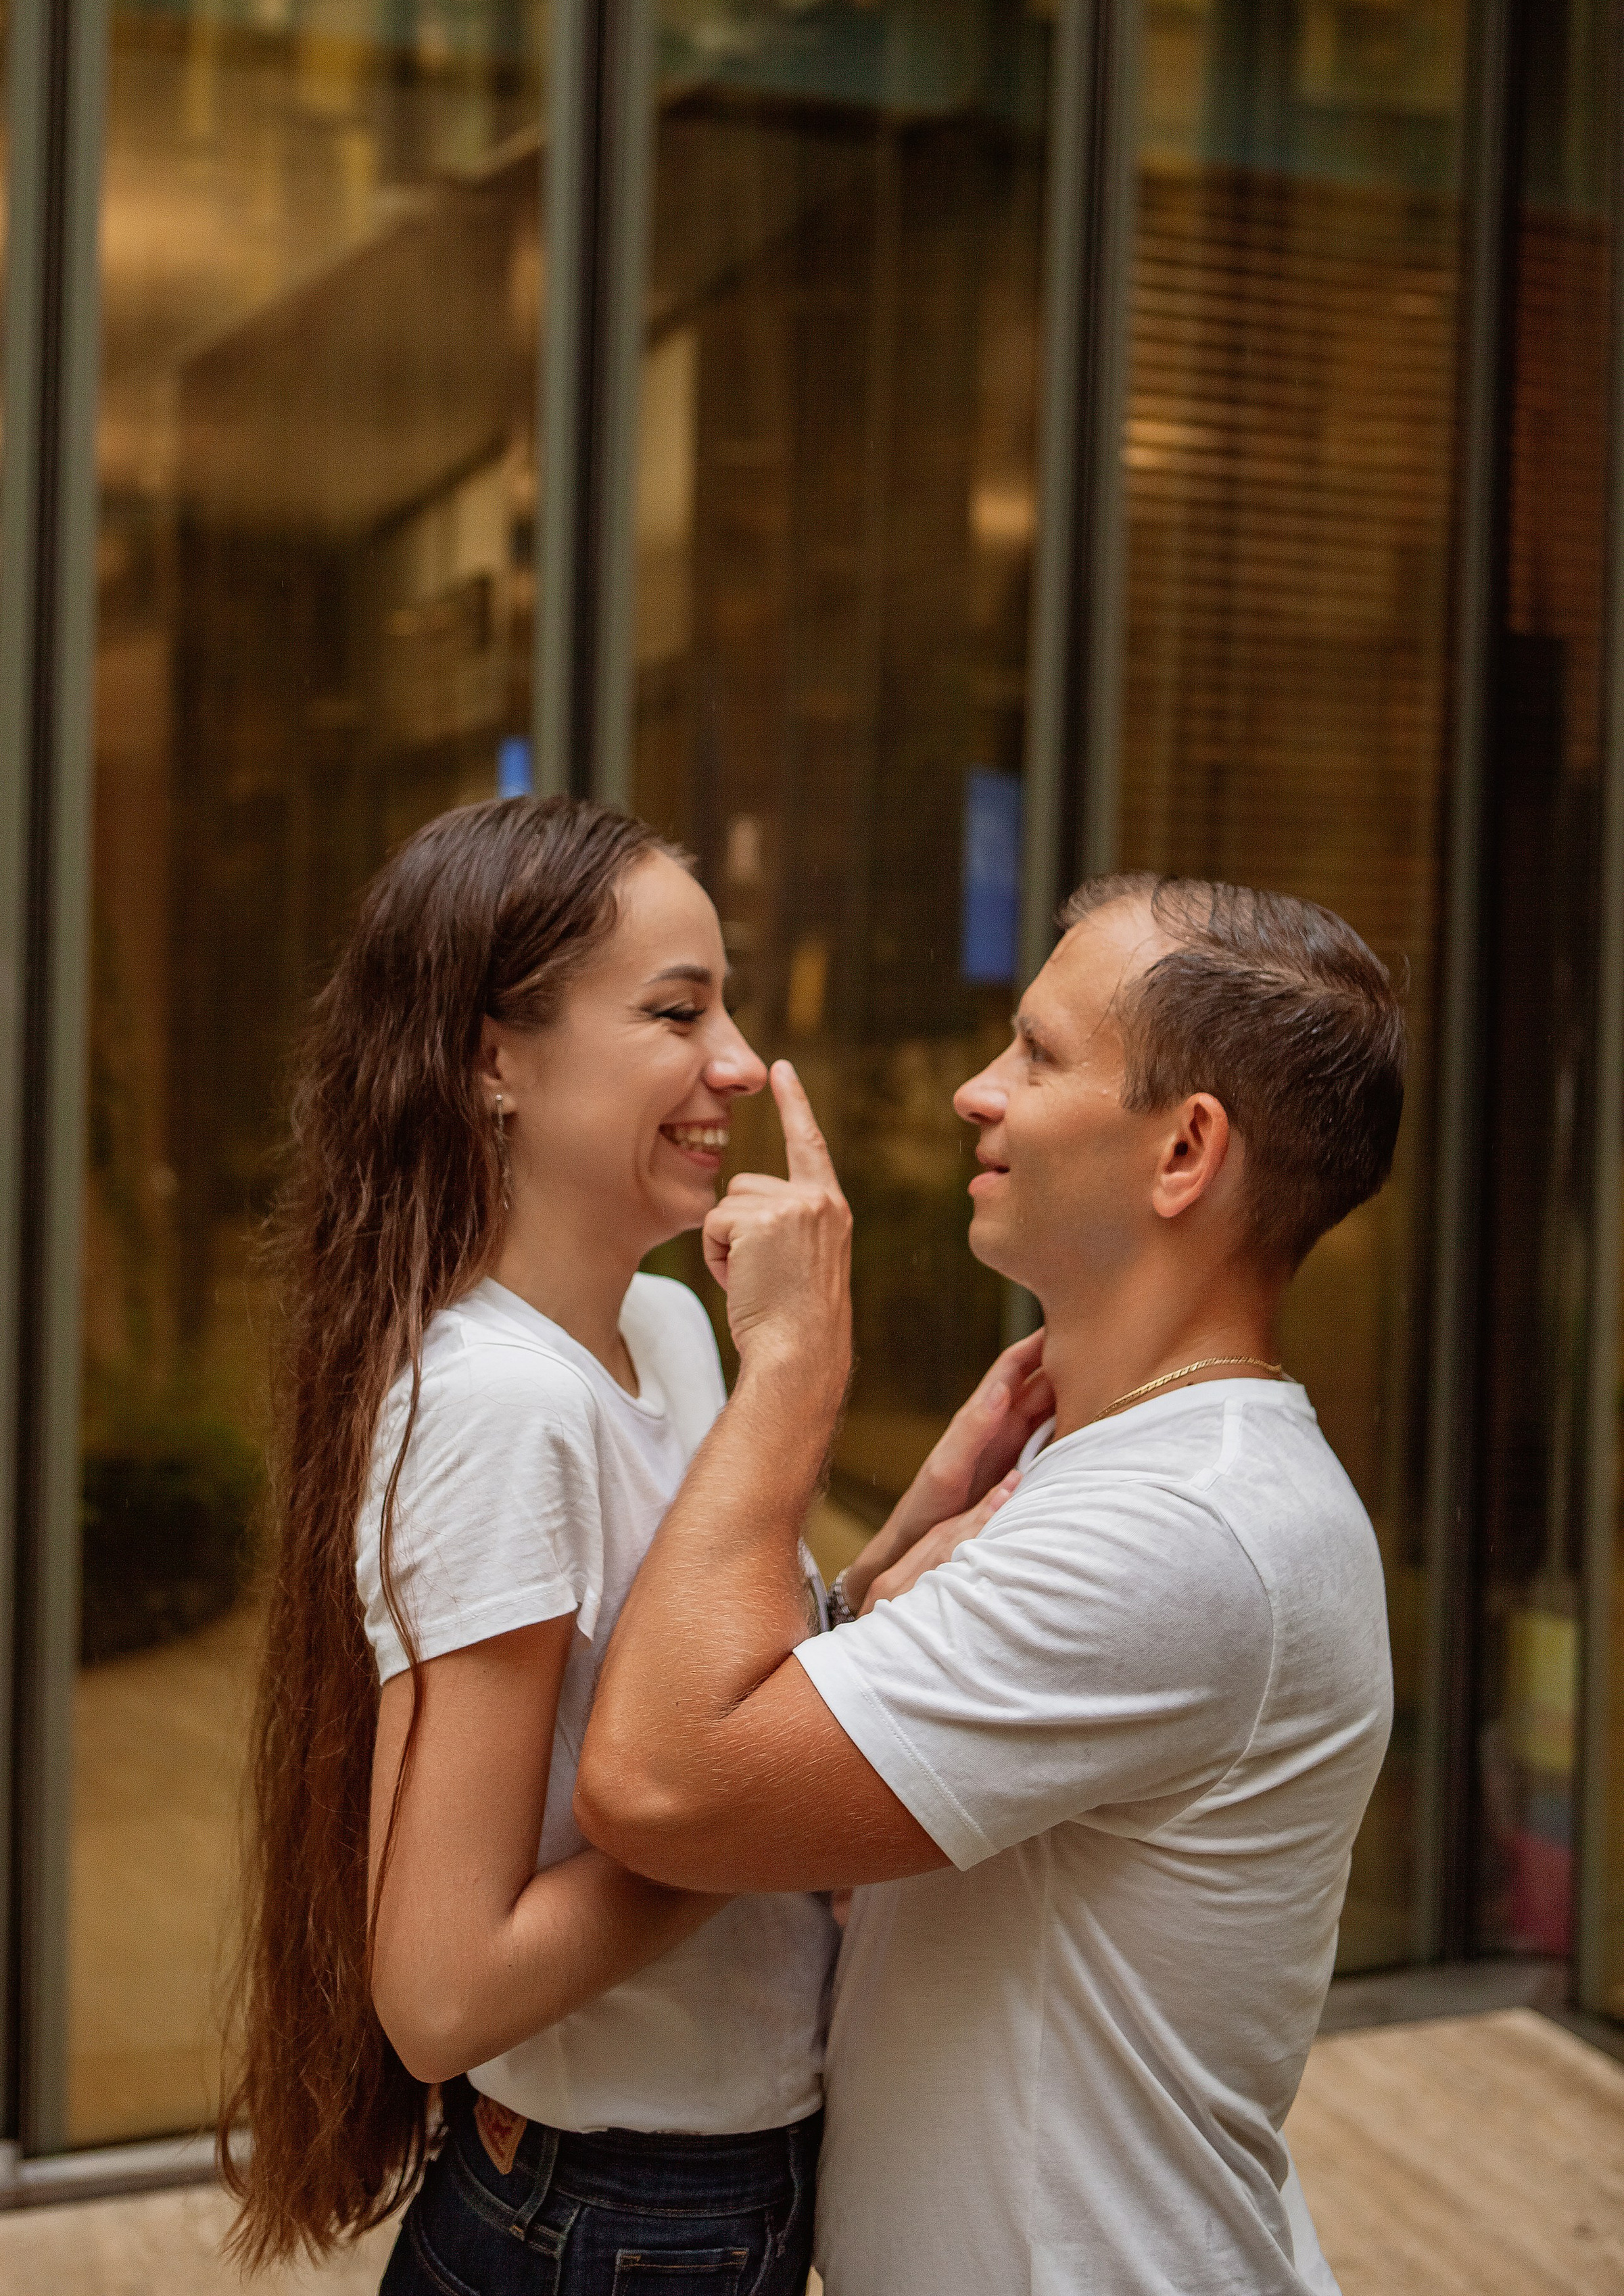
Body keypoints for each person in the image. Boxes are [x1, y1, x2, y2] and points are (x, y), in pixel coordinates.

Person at [577, 874, 1404, 2296]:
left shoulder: (1176, 1530)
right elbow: (840, 1829)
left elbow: (657, 1786)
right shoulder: (1097, 1477)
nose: (974, 1091)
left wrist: (786, 1375)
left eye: (1035, 1053)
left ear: (1181, 1153)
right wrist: (897, 1556)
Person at [220, 795, 838, 2290]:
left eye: (726, 1005)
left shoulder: (670, 1326)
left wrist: (932, 1500)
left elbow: (737, 1678)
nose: (740, 1062)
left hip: (724, 2179)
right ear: (493, 1058)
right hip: (615, 2217)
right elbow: (440, 1992)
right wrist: (770, 1824)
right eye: (676, 1010)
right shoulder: (499, 1407)